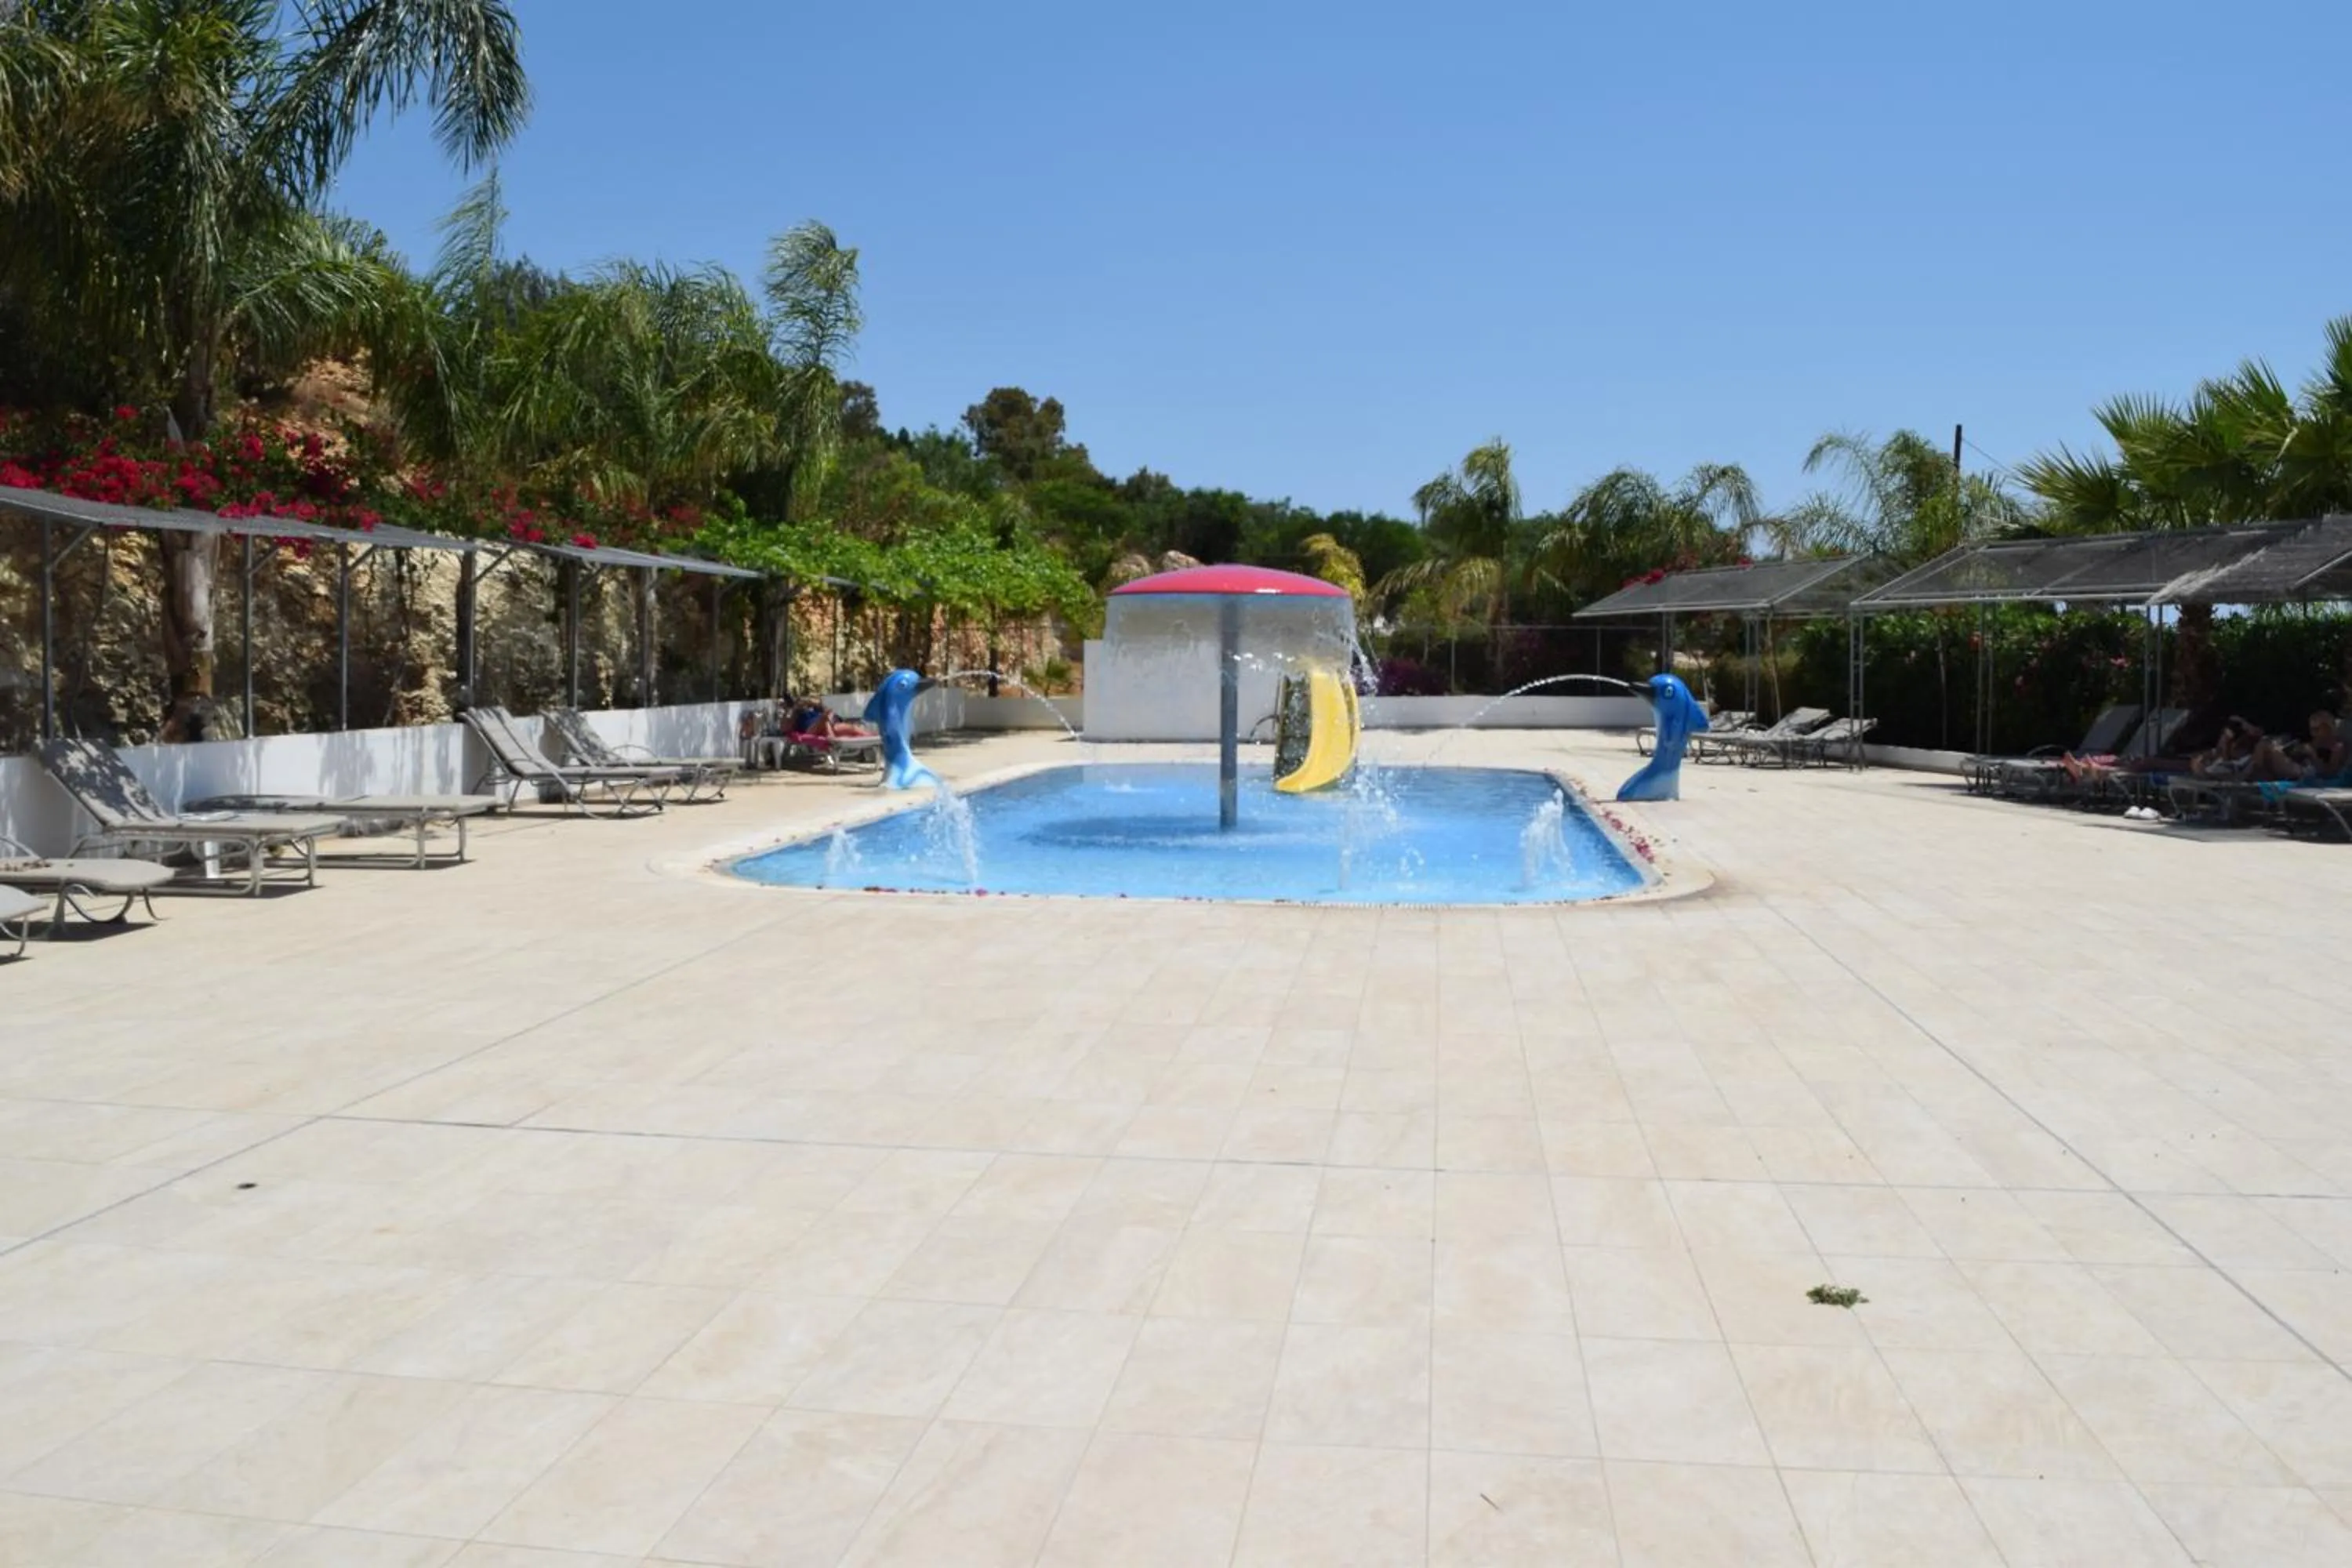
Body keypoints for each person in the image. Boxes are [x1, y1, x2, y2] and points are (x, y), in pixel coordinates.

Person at [2250, 709, 2347, 784]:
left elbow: (2329, 774)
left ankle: (2251, 781)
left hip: (2307, 775)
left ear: (2328, 728)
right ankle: (2255, 783)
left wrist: (2313, 755)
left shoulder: (2337, 747)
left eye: (2319, 729)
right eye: (2313, 730)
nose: (2315, 733)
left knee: (2266, 746)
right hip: (2298, 767)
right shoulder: (2315, 743)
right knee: (2264, 746)